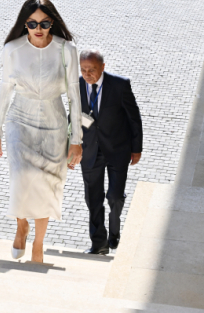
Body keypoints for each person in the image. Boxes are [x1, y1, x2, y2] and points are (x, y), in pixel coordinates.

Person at [0, 0, 83, 263]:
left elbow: (75, 96)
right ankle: (21, 225)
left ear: (52, 22)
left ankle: (38, 245)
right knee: (21, 177)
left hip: (54, 124)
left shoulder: (67, 50)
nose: (38, 28)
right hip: (20, 120)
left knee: (47, 185)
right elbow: (5, 90)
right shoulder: (12, 49)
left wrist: (76, 138)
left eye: (44, 23)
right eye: (31, 23)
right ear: (24, 24)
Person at [79, 50, 143, 255]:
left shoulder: (120, 85)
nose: (87, 74)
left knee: (114, 196)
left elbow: (134, 118)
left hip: (118, 150)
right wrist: (71, 146)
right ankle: (99, 243)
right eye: (83, 70)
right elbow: (73, 116)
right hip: (90, 151)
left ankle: (114, 231)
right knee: (93, 198)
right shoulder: (77, 85)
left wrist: (136, 148)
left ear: (103, 67)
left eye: (92, 70)